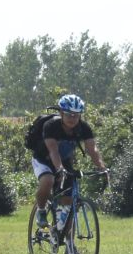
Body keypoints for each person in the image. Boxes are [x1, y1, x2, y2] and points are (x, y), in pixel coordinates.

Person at [31, 93, 107, 228]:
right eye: (68, 114)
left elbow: (91, 149)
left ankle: (68, 244)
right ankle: (41, 210)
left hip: (65, 162)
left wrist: (101, 166)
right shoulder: (50, 126)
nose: (72, 118)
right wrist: (60, 169)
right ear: (61, 113)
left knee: (68, 202)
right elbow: (53, 151)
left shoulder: (84, 128)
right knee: (48, 180)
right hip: (43, 159)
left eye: (76, 115)